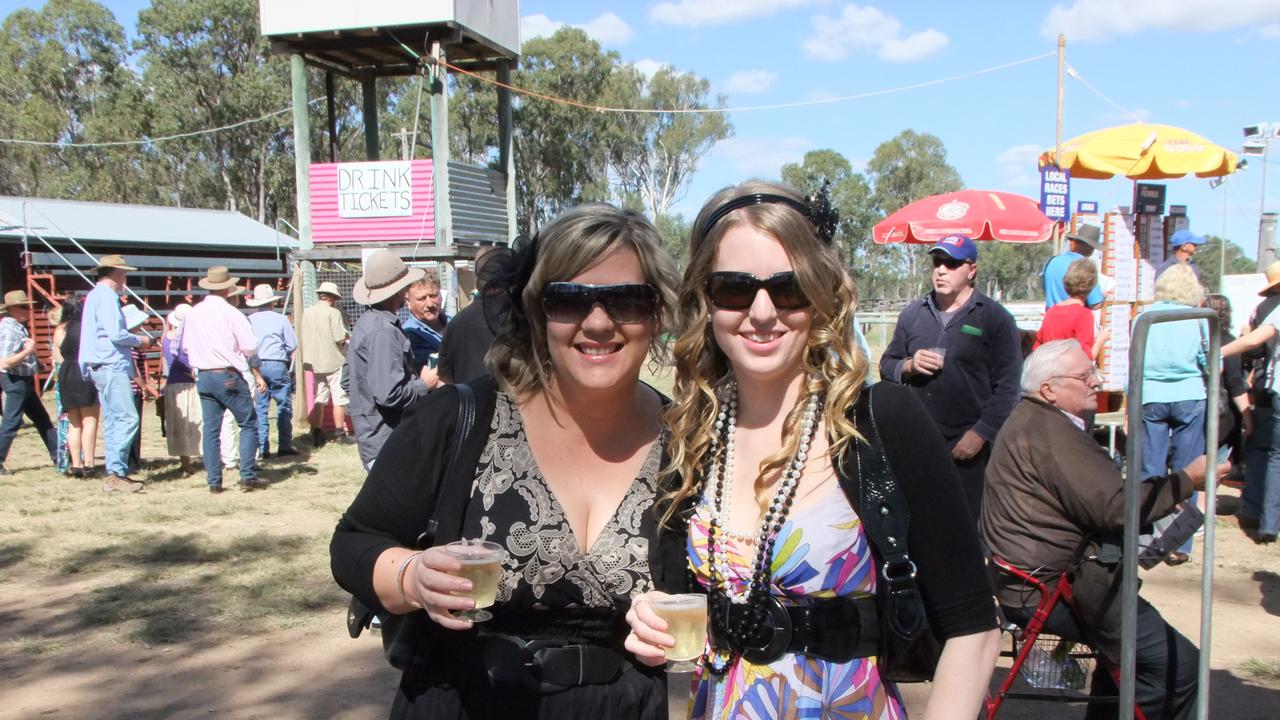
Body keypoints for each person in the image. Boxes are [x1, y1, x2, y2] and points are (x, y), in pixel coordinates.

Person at [625, 181, 1000, 719]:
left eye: (789, 287)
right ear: (705, 301)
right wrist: (655, 618)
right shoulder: (693, 436)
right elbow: (685, 601)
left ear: (822, 291)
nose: (760, 312)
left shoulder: (883, 420)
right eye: (733, 288)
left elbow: (974, 629)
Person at [331, 203, 680, 719]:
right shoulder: (460, 416)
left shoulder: (685, 443)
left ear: (656, 313)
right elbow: (354, 543)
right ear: (536, 311)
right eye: (569, 299)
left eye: (626, 299)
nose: (599, 322)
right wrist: (411, 577)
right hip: (466, 700)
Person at [982, 340, 1226, 720]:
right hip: (1050, 590)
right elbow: (1116, 509)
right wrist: (1188, 480)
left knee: (1132, 659)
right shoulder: (1049, 431)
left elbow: (1106, 501)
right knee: (1179, 667)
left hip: (1039, 582)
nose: (1097, 381)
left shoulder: (1036, 420)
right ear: (1049, 389)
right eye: (1085, 376)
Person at [878, 234, 1023, 519]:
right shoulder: (913, 314)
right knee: (917, 523)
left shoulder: (994, 318)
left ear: (971, 270)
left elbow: (1007, 388)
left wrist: (981, 434)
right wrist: (908, 365)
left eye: (952, 263)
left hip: (965, 448)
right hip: (916, 442)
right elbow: (886, 365)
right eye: (937, 262)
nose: (942, 269)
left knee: (963, 525)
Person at [1135, 263, 1207, 564]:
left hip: (1150, 395)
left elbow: (1135, 359)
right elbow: (1207, 358)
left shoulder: (1144, 317)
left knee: (1149, 469)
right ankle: (1178, 544)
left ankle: (1144, 538)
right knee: (1186, 471)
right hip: (1189, 395)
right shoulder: (1198, 318)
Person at [346, 252, 435, 469]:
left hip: (376, 440)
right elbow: (389, 394)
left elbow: (347, 381)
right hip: (388, 444)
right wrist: (425, 384)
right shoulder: (383, 332)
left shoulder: (366, 324)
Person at [181, 267, 266, 493]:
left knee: (211, 429)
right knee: (248, 423)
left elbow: (186, 346)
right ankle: (247, 475)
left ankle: (214, 481)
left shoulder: (194, 313)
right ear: (228, 289)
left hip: (205, 375)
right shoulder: (231, 313)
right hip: (228, 373)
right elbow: (250, 346)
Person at [80, 254, 153, 492]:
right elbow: (117, 334)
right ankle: (116, 472)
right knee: (128, 418)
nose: (125, 279)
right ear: (114, 273)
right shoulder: (107, 298)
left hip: (101, 364)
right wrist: (141, 340)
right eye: (123, 274)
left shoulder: (94, 296)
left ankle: (115, 471)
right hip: (111, 364)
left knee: (113, 419)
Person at [1220, 269, 1280, 544]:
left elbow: (1255, 344)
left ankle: (1263, 519)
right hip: (1268, 386)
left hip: (1269, 388)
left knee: (1268, 454)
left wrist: (1218, 351)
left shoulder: (1267, 309)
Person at [0, 290, 57, 474]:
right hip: (16, 380)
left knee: (42, 419)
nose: (28, 310)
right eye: (24, 306)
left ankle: (58, 455)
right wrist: (28, 351)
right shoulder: (9, 329)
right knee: (12, 421)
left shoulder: (17, 327)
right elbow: (6, 362)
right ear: (13, 309)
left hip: (23, 379)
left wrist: (35, 362)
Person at [245, 283, 298, 457]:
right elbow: (292, 345)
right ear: (273, 302)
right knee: (284, 406)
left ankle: (262, 447)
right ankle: (284, 445)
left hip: (257, 365)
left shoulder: (250, 320)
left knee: (261, 407)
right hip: (277, 363)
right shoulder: (280, 319)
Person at [1202, 295, 1249, 477]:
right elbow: (1235, 382)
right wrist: (1247, 416)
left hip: (1198, 410)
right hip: (1222, 416)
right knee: (1215, 467)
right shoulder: (1230, 342)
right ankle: (1204, 504)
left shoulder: (1197, 340)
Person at [301, 281, 351, 447]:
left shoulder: (307, 312)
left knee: (320, 397)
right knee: (339, 398)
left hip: (314, 362)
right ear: (332, 297)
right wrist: (346, 340)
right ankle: (339, 433)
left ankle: (317, 431)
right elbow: (339, 338)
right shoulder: (333, 313)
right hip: (332, 361)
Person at [438, 249, 498, 385]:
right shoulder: (520, 319)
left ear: (476, 278)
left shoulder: (455, 324)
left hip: (468, 403)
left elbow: (445, 378)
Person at [1036, 258, 1109, 361]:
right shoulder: (1084, 315)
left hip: (1049, 370)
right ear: (1091, 286)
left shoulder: (1052, 311)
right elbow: (1086, 357)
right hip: (1068, 373)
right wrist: (1101, 340)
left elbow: (1038, 345)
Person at [162, 303, 201, 476]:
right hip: (188, 383)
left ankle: (184, 461)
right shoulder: (190, 338)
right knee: (194, 421)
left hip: (172, 384)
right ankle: (196, 459)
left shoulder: (166, 337)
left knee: (178, 423)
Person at [123, 304, 159, 475]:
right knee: (132, 425)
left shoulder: (130, 340)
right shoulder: (129, 342)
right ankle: (131, 462)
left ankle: (132, 460)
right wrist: (144, 386)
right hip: (131, 388)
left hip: (131, 387)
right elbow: (132, 367)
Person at [400, 272, 449, 386]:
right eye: (422, 298)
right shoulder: (409, 335)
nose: (430, 303)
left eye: (433, 296)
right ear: (408, 302)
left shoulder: (455, 323)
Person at [1042, 223, 1104, 308]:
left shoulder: (1051, 262)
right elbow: (1096, 303)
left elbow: (1045, 291)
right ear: (1092, 248)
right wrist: (1103, 296)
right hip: (1075, 318)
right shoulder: (1085, 267)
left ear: (1075, 242)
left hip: (1051, 316)